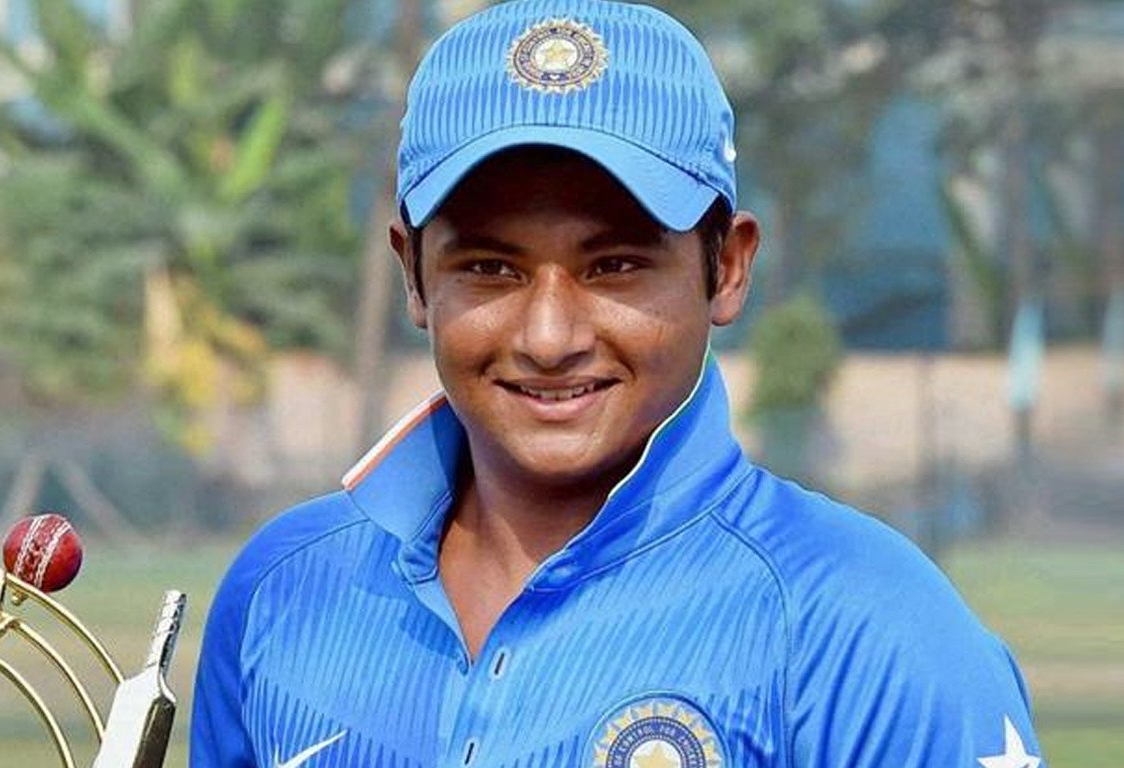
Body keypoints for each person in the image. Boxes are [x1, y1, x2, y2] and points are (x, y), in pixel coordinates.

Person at [191, 1, 1042, 766]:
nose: (549, 338)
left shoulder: (866, 627)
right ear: (412, 273)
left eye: (616, 265)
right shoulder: (284, 589)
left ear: (728, 266)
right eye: (489, 267)